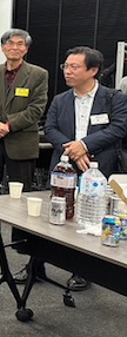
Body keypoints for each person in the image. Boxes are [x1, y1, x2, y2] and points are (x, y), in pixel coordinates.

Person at [33, 46, 127, 291]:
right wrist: (73, 149)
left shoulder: (113, 98)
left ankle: (83, 271)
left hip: (99, 166)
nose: (67, 71)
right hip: (64, 165)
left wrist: (83, 145)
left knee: (90, 218)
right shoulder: (60, 99)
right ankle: (36, 265)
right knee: (54, 213)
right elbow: (50, 128)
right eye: (66, 66)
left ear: (93, 70)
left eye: (74, 67)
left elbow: (119, 128)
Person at [0, 28, 48, 244]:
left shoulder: (39, 74)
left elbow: (36, 109)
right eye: (10, 43)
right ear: (2, 47)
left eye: (20, 44)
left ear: (26, 49)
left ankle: (21, 234)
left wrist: (8, 125)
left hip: (21, 141)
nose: (15, 47)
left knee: (21, 191)